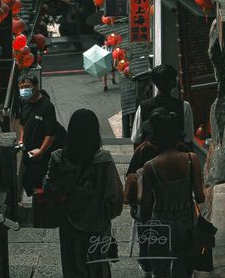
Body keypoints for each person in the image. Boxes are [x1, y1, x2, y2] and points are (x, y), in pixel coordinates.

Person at [45, 108, 124, 278]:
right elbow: (115, 198)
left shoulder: (57, 158)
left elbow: (49, 189)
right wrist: (105, 215)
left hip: (68, 222)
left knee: (72, 266)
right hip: (98, 224)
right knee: (99, 268)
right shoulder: (104, 160)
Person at [125, 108, 192, 277]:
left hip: (152, 213)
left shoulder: (143, 152)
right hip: (181, 209)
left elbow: (131, 179)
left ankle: (147, 267)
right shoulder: (185, 152)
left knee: (153, 254)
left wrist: (134, 204)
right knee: (180, 257)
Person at [139, 109, 205, 278]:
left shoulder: (150, 166)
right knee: (183, 269)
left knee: (160, 271)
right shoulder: (192, 159)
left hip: (160, 223)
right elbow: (200, 197)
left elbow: (145, 205)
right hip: (187, 221)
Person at [17, 73, 66, 197]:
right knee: (27, 181)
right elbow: (22, 123)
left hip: (43, 155)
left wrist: (41, 151)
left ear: (36, 86)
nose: (24, 90)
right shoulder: (25, 103)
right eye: (21, 87)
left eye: (27, 86)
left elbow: (51, 133)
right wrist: (21, 139)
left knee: (39, 184)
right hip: (29, 151)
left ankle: (40, 208)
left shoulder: (46, 106)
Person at [131, 64, 194, 147]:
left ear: (154, 83)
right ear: (174, 82)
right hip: (176, 157)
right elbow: (188, 139)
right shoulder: (184, 106)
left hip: (150, 157)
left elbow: (136, 140)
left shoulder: (143, 106)